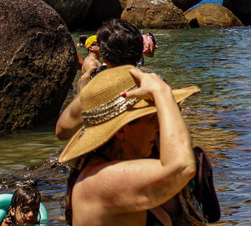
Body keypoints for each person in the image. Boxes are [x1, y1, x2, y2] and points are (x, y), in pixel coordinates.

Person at [59, 65, 196, 226]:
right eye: (152, 118)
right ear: (122, 130)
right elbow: (181, 168)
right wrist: (161, 91)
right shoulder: (101, 180)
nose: (159, 127)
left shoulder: (103, 170)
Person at [56, 19, 154, 140]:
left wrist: (81, 94)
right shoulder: (154, 84)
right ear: (140, 55)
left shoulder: (98, 91)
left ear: (105, 59)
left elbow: (62, 130)